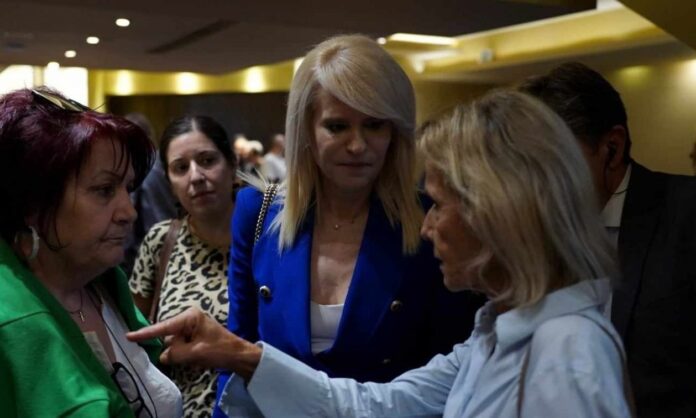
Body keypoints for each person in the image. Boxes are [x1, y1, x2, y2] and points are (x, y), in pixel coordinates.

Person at [129, 90, 633, 417]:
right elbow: (376, 404)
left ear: (498, 215)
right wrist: (238, 353)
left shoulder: (569, 352)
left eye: (438, 205)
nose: (427, 227)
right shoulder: (497, 330)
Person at [214, 34, 484, 416]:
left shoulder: (431, 222)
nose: (357, 145)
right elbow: (237, 350)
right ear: (306, 130)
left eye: (374, 125)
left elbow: (448, 366)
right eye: (337, 126)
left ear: (395, 132)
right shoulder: (256, 211)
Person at [520, 62, 696, 418]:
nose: (531, 183)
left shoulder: (687, 214)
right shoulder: (536, 234)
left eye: (547, 164)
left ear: (612, 149)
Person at [0, 87, 182, 417]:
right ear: (33, 204)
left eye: (127, 189)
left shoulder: (103, 284)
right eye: (104, 190)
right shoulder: (10, 324)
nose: (129, 212)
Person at [129, 115, 236, 417]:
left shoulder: (267, 237)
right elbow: (138, 340)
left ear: (232, 163)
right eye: (181, 168)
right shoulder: (161, 241)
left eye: (207, 160)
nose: (196, 176)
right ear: (169, 182)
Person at [122, 112, 178, 277]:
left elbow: (151, 219)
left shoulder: (145, 169)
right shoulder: (161, 163)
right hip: (168, 247)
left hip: (148, 254)